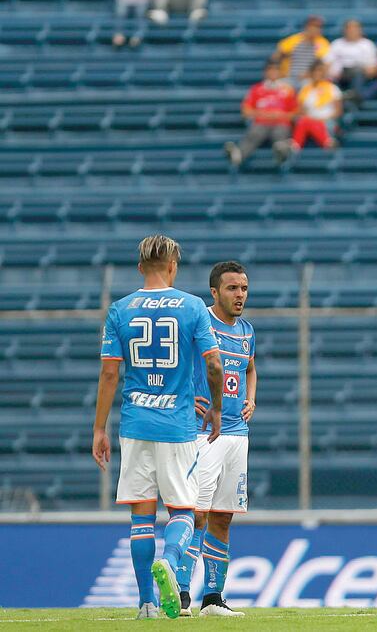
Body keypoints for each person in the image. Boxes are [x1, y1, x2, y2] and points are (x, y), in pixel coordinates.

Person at [92, 235, 223, 620]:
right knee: (183, 509)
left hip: (135, 423)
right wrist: (215, 407)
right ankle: (169, 559)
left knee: (141, 515)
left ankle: (146, 603)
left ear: (139, 268)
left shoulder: (120, 309)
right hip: (178, 425)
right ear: (173, 266)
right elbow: (214, 366)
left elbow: (109, 371)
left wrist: (99, 428)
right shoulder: (193, 306)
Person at [175, 262, 255, 618]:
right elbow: (172, 361)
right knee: (197, 511)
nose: (240, 295)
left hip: (238, 433)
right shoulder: (199, 323)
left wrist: (252, 396)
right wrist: (181, 396)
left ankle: (213, 598)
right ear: (214, 292)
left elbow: (250, 366)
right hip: (203, 431)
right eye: (232, 289)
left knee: (223, 517)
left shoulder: (247, 330)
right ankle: (179, 593)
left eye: (243, 289)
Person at [224, 61, 297, 168]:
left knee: (280, 133)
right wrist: (261, 114)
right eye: (270, 70)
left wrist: (280, 115)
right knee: (255, 133)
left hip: (281, 122)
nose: (273, 73)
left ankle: (282, 153)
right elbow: (245, 110)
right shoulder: (256, 89)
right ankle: (238, 155)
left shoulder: (288, 90)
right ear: (265, 72)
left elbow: (296, 111)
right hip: (261, 122)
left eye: (275, 70)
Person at [292, 60, 343, 153]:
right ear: (311, 73)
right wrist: (310, 117)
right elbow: (300, 110)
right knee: (303, 121)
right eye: (315, 71)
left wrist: (324, 118)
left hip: (327, 119)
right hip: (310, 119)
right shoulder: (305, 89)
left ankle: (294, 147)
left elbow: (338, 111)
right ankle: (328, 143)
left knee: (308, 123)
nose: (317, 73)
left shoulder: (332, 88)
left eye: (320, 71)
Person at [271, 15, 330, 85]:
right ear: (306, 26)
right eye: (314, 26)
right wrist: (279, 73)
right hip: (288, 77)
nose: (316, 29)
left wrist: (309, 74)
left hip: (310, 79)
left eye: (319, 27)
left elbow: (324, 64)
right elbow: (276, 57)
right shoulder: (293, 40)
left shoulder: (323, 43)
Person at [323, 19, 377, 93]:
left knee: (357, 73)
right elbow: (327, 63)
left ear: (360, 30)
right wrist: (331, 73)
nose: (352, 31)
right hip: (339, 76)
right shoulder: (336, 44)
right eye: (349, 28)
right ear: (344, 30)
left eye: (355, 28)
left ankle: (355, 94)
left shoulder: (367, 44)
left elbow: (372, 69)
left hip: (360, 75)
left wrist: (362, 70)